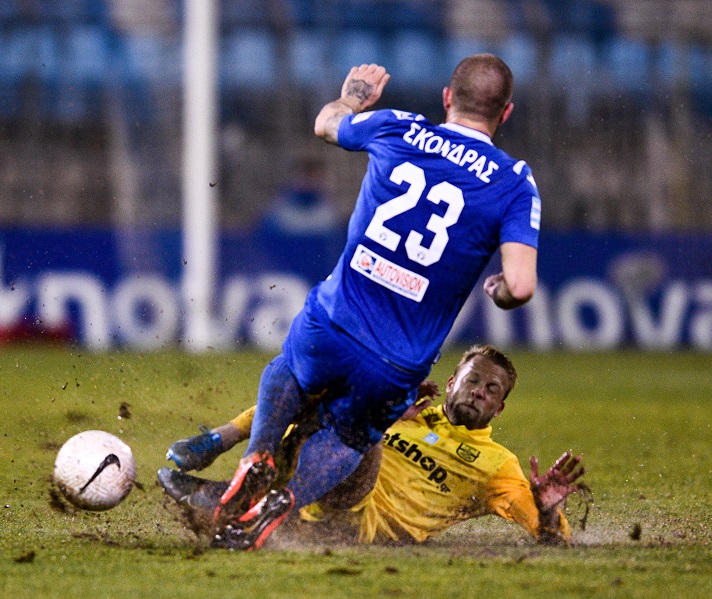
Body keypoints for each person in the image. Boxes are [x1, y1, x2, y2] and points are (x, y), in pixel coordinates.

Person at [210, 54, 542, 550]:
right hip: (395, 359)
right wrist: (499, 292)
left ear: (447, 98)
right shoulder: (514, 181)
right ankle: (286, 500)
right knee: (351, 438)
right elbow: (520, 285)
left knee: (289, 371)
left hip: (333, 319)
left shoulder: (400, 127)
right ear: (506, 113)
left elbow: (326, 123)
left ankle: (258, 458)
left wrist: (352, 96)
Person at [161, 346, 585, 546]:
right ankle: (222, 445)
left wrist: (547, 509)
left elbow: (550, 538)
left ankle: (227, 495)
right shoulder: (413, 413)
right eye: (473, 380)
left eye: (491, 390)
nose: (479, 392)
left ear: (500, 409)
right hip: (317, 488)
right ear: (452, 382)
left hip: (360, 527)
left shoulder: (496, 465)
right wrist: (390, 404)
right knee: (331, 385)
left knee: (364, 420)